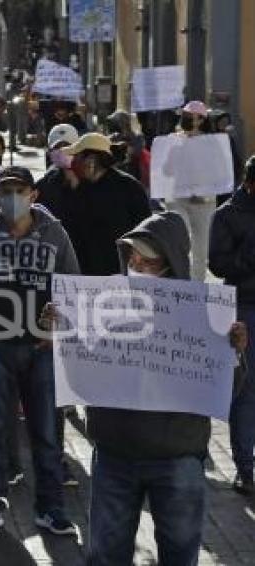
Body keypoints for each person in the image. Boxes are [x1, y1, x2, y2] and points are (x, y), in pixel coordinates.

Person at [82, 211, 247, 565]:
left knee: (179, 555)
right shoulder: (104, 305)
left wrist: (234, 353)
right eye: (132, 258)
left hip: (177, 456)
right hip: (115, 453)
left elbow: (226, 391)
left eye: (148, 261)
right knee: (106, 554)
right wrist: (63, 333)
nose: (137, 267)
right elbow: (82, 377)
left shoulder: (204, 312)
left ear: (171, 264)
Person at [0, 166, 80, 536]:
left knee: (47, 432)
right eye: (5, 191)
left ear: (33, 194)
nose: (12, 198)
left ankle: (51, 508)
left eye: (19, 190)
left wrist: (59, 327)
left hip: (41, 348)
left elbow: (72, 283)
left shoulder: (55, 234)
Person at [37, 132, 152, 276]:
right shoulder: (74, 188)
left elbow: (146, 232)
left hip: (119, 272)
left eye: (77, 158)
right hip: (81, 273)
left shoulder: (130, 188)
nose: (73, 163)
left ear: (91, 161)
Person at [209, 156, 255, 495]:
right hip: (245, 307)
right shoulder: (226, 215)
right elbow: (219, 263)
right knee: (246, 390)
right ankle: (245, 467)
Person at [165, 100, 216, 281]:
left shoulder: (212, 143)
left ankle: (198, 288)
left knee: (201, 248)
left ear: (201, 119)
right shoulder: (174, 140)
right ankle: (181, 281)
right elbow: (166, 170)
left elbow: (218, 170)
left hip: (204, 201)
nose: (186, 119)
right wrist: (175, 150)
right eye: (184, 115)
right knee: (180, 237)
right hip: (179, 198)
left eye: (190, 116)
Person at [105, 110, 147, 186]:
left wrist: (124, 145)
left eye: (116, 123)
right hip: (114, 175)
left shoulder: (137, 138)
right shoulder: (113, 137)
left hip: (132, 174)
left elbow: (134, 152)